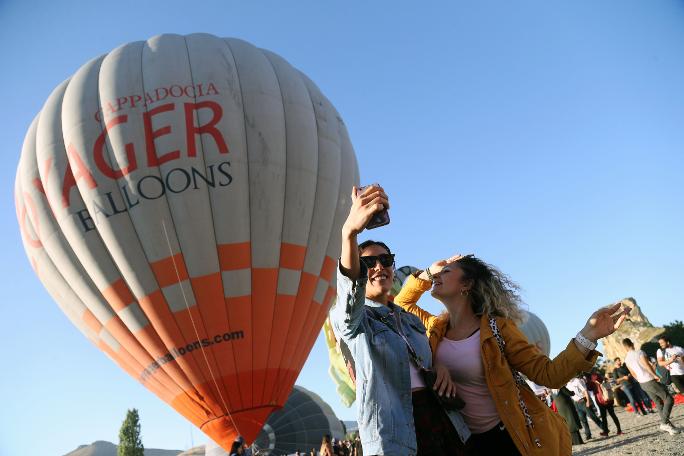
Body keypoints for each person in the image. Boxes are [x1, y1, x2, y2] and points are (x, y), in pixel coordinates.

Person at [394, 254, 631, 455]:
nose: (438, 275)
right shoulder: (435, 327)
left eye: (446, 271)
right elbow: (403, 301)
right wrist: (427, 272)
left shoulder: (498, 328)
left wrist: (588, 334)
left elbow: (548, 375)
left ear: (467, 285)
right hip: (464, 441)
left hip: (507, 437)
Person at [329, 185, 469, 455]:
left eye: (386, 260)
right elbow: (348, 305)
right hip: (395, 431)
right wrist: (350, 233)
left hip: (441, 417)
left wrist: (438, 366)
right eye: (369, 263)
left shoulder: (408, 319)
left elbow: (425, 356)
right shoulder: (355, 322)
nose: (379, 266)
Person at [622, 338, 680, 435]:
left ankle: (669, 427)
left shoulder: (626, 359)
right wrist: (655, 375)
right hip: (649, 380)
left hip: (642, 383)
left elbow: (633, 373)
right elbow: (647, 365)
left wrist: (641, 380)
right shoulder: (639, 352)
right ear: (632, 343)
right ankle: (664, 422)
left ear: (625, 347)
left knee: (658, 403)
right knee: (669, 398)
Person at [566, 374, 603, 440]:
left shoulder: (577, 381)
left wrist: (588, 401)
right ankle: (588, 435)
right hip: (577, 403)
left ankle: (604, 428)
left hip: (583, 401)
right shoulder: (568, 384)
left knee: (593, 417)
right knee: (583, 420)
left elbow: (585, 391)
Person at [588, 372, 622, 436]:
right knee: (609, 415)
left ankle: (609, 431)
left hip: (602, 400)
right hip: (605, 399)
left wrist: (591, 381)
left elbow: (589, 388)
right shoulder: (600, 379)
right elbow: (589, 388)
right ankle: (615, 431)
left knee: (607, 416)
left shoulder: (595, 381)